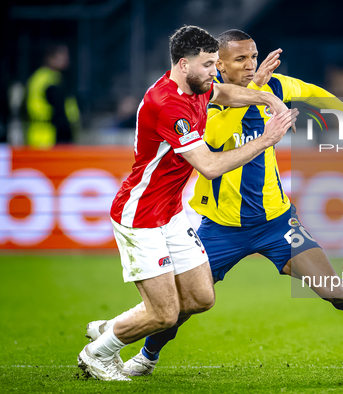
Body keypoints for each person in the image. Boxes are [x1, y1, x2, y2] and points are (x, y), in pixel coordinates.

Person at [87, 29, 343, 377]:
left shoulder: (270, 86)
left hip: (276, 221)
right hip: (220, 225)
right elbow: (213, 145)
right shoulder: (199, 102)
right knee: (185, 303)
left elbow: (312, 92)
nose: (250, 64)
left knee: (329, 285)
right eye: (239, 59)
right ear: (218, 66)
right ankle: (146, 356)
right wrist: (259, 98)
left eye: (253, 56)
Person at [77, 26, 297, 381]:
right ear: (183, 64)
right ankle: (96, 354)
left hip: (171, 214)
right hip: (141, 216)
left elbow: (223, 92)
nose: (215, 71)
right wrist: (266, 139)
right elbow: (209, 166)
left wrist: (265, 97)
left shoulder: (197, 86)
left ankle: (115, 326)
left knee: (200, 298)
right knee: (164, 314)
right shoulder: (168, 105)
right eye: (209, 64)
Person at [25, 43, 80, 148]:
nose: (66, 59)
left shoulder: (52, 77)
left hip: (51, 135)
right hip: (47, 136)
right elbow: (57, 111)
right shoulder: (46, 79)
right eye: (62, 55)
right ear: (50, 58)